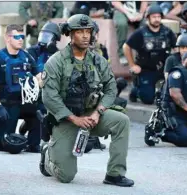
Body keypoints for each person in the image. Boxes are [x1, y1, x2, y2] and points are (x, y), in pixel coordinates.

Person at [39, 14, 134, 187]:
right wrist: (75, 119)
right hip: (66, 119)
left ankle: (115, 174)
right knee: (66, 176)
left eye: (88, 31)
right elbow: (49, 97)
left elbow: (111, 88)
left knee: (122, 121)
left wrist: (98, 113)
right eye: (79, 32)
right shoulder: (56, 62)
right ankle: (47, 155)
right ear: (70, 34)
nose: (85, 36)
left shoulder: (98, 60)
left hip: (91, 116)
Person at [0, 24, 42, 153]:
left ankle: (33, 143)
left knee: (40, 110)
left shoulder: (27, 57)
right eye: (16, 36)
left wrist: (37, 82)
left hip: (25, 102)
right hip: (6, 106)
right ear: (7, 38)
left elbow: (39, 77)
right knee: (2, 144)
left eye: (22, 36)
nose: (20, 39)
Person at [123, 4, 177, 104]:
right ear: (148, 18)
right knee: (148, 99)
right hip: (145, 70)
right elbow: (126, 47)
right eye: (154, 17)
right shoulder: (140, 32)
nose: (157, 19)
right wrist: (132, 65)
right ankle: (135, 91)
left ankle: (158, 90)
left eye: (159, 17)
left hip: (163, 69)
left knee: (168, 96)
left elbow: (176, 48)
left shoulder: (167, 32)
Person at [150, 50, 187, 147]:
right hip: (175, 113)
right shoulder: (177, 73)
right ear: (183, 62)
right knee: (185, 140)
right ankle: (158, 132)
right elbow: (175, 94)